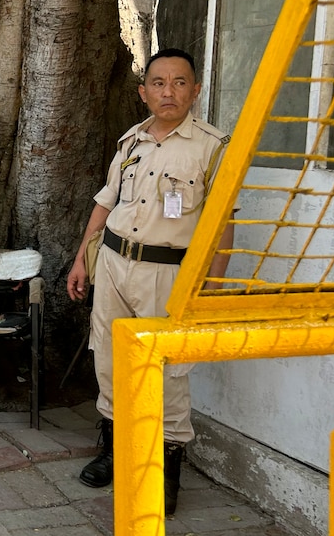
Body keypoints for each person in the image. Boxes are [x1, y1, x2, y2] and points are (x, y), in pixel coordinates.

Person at [66, 48, 235, 515]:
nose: (168, 92)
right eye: (158, 83)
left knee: (170, 373)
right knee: (110, 360)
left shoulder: (213, 146)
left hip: (169, 273)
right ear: (143, 93)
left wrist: (210, 290)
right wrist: (83, 259)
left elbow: (222, 223)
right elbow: (105, 203)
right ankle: (114, 449)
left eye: (179, 83)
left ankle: (167, 465)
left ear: (195, 90)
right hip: (115, 265)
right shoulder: (131, 142)